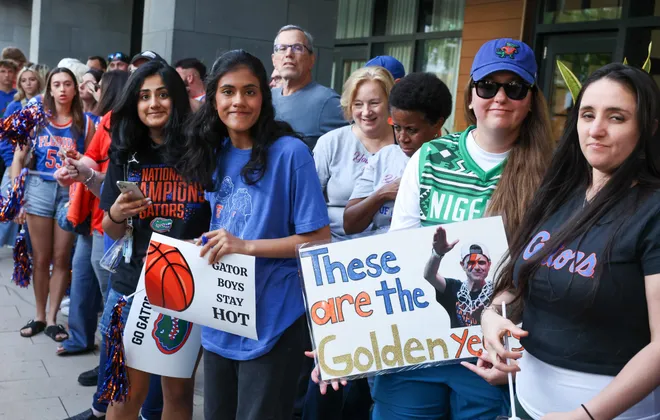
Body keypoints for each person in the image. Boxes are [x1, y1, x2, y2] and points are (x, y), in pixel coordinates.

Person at [366, 38, 554, 419]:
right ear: (471, 97)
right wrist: (349, 338)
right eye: (488, 86)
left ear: (531, 100)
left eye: (514, 88)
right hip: (417, 348)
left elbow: (548, 274)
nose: (500, 97)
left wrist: (521, 358)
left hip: (491, 357)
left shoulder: (551, 174)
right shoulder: (431, 156)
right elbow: (397, 250)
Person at [482, 63, 660, 419]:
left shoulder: (653, 211)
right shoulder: (559, 195)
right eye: (587, 114)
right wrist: (492, 315)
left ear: (648, 128)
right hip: (524, 406)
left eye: (617, 118)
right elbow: (519, 281)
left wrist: (585, 416)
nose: (596, 130)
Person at [177, 49, 330, 420]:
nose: (239, 102)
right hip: (221, 317)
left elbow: (319, 240)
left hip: (273, 324)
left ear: (265, 96)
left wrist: (245, 246)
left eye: (250, 91)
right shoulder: (214, 151)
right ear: (213, 98)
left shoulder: (292, 153)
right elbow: (223, 226)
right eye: (228, 91)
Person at [97, 60, 208, 420]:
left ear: (176, 98)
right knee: (126, 395)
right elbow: (109, 229)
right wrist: (117, 213)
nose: (153, 104)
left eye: (162, 94)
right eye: (144, 96)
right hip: (132, 286)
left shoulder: (201, 149)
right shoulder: (125, 152)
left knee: (178, 393)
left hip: (186, 286)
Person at [11, 67, 95, 343]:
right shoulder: (37, 119)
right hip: (38, 188)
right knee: (41, 257)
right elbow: (18, 158)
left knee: (62, 258)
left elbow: (92, 162)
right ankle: (39, 315)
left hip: (70, 192)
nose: (62, 89)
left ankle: (53, 317)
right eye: (56, 84)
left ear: (75, 88)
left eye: (67, 84)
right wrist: (16, 196)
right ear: (49, 89)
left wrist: (79, 158)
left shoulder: (86, 123)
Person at [343, 72, 451, 235]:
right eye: (397, 127)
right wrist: (383, 193)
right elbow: (350, 224)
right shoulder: (384, 157)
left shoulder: (453, 162)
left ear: (437, 124)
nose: (402, 138)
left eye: (412, 130)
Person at [314, 66, 395, 240]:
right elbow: (308, 204)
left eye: (374, 103)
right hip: (335, 243)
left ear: (389, 102)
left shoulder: (405, 143)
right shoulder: (330, 143)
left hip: (391, 246)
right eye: (358, 104)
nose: (366, 112)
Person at [271, 25, 346, 149]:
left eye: (297, 48)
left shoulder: (327, 102)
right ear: (274, 60)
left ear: (311, 60)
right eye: (282, 48)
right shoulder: (267, 97)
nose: (288, 54)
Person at [0, 65, 46, 247]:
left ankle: (23, 244)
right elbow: (5, 137)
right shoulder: (14, 104)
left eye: (32, 79)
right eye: (24, 80)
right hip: (15, 159)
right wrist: (10, 161)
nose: (28, 84)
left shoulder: (44, 104)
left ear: (39, 81)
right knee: (8, 197)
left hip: (36, 164)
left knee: (31, 203)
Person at [424, 236, 493, 327]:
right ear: (462, 265)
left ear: (489, 265)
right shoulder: (454, 287)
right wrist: (437, 254)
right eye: (471, 263)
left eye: (481, 263)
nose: (477, 267)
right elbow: (430, 276)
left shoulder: (497, 291)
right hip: (460, 340)